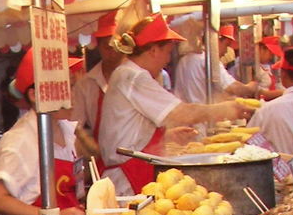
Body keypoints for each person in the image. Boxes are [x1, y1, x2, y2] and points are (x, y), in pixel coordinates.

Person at [98, 13, 253, 194]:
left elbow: (130, 129)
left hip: (131, 170)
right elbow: (182, 113)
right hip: (126, 179)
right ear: (153, 50)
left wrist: (166, 137)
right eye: (166, 52)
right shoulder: (133, 76)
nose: (167, 60)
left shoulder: (127, 73)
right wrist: (225, 109)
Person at [0, 48, 86, 215]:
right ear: (34, 95)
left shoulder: (65, 129)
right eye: (63, 88)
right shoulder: (20, 139)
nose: (71, 95)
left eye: (70, 86)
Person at [71, 9, 122, 155]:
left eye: (116, 46)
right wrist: (90, 146)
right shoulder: (86, 84)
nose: (112, 52)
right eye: (107, 47)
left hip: (136, 158)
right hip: (102, 157)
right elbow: (75, 124)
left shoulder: (136, 78)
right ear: (99, 46)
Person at [173, 25, 257, 104]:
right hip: (203, 116)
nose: (226, 51)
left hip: (186, 116)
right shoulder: (209, 60)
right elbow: (233, 88)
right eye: (226, 45)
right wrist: (250, 87)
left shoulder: (183, 61)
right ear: (215, 40)